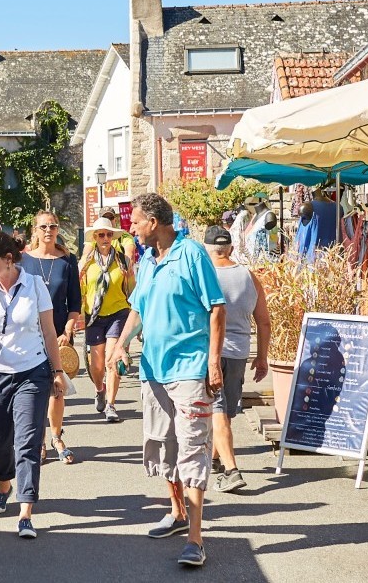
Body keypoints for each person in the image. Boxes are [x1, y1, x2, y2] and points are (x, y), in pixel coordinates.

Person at [115, 193, 225, 567]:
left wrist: (213, 362)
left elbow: (216, 308)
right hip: (154, 370)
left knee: (193, 448)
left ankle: (196, 539)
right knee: (163, 444)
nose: (131, 228)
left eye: (136, 222)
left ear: (155, 223)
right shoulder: (146, 259)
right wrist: (120, 346)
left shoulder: (192, 254)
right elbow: (138, 309)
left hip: (191, 369)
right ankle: (177, 513)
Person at [0, 231, 64, 539]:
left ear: (8, 260)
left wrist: (58, 370)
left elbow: (49, 332)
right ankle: (4, 485)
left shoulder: (35, 285)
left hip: (32, 372)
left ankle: (25, 511)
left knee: (28, 441)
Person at [203, 225, 271, 493]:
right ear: (230, 248)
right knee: (225, 410)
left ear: (207, 250)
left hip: (211, 353)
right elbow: (264, 322)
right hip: (240, 352)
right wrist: (262, 357)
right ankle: (217, 460)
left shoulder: (204, 275)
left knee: (217, 411)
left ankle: (231, 470)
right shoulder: (249, 276)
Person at [18, 211, 83, 464]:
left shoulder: (67, 260)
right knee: (34, 391)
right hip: (29, 335)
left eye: (53, 226)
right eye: (43, 226)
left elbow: (74, 301)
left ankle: (56, 437)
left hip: (58, 334)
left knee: (57, 390)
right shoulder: (24, 261)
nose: (48, 230)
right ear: (35, 230)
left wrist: (67, 329)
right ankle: (39, 441)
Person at [80, 214, 134, 423]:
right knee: (97, 363)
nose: (105, 238)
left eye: (108, 235)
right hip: (94, 315)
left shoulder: (122, 260)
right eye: (101, 235)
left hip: (118, 312)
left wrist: (134, 315)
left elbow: (131, 287)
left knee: (113, 358)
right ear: (95, 237)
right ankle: (99, 389)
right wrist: (76, 315)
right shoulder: (87, 261)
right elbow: (80, 288)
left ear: (113, 237)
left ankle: (111, 404)